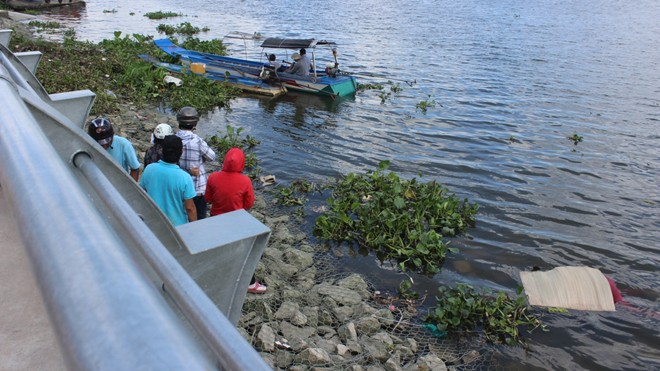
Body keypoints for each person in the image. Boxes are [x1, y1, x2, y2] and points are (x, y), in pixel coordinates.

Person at [204, 148, 266, 294]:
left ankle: (215, 275)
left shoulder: (213, 177)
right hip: (236, 222)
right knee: (241, 253)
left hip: (215, 220)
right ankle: (250, 283)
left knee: (218, 249)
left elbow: (208, 198)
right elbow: (249, 204)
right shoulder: (245, 180)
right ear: (242, 163)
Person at [140, 135, 197, 226]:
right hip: (177, 227)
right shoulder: (185, 178)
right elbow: (190, 208)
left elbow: (142, 193)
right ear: (181, 152)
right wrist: (195, 227)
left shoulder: (149, 169)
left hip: (152, 223)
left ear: (162, 150)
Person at [175, 106, 216, 221]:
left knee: (182, 215)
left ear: (179, 122)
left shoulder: (173, 139)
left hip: (179, 186)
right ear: (194, 124)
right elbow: (212, 157)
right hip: (197, 189)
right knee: (199, 219)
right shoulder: (198, 141)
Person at [87, 117, 140, 182]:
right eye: (100, 143)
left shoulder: (123, 144)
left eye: (107, 142)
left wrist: (130, 189)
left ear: (112, 136)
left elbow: (135, 168)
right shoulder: (88, 146)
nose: (104, 145)